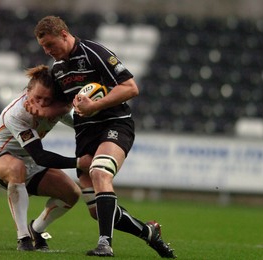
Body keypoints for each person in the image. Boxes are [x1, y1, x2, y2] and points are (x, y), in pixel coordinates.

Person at [33, 15, 176, 258]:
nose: (47, 51)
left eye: (50, 45)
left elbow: (131, 87)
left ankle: (104, 244)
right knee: (97, 211)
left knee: (100, 171)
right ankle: (149, 233)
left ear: (64, 35)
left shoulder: (94, 52)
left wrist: (95, 106)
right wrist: (42, 110)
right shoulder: (58, 69)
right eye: (44, 47)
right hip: (85, 134)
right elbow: (66, 105)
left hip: (115, 124)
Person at [0, 65, 92, 251]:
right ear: (27, 92)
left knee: (71, 194)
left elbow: (82, 125)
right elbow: (40, 156)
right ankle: (23, 238)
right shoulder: (16, 114)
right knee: (17, 167)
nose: (41, 103)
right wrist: (78, 162)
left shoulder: (56, 109)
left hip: (29, 161)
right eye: (37, 97)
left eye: (47, 99)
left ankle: (36, 229)